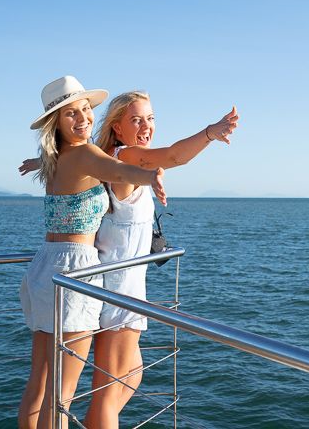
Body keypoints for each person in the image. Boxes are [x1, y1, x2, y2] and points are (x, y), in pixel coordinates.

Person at [20, 91, 238, 429]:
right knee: (97, 392)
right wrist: (209, 133)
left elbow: (82, 164)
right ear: (117, 128)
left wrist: (44, 160)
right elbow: (169, 157)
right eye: (136, 119)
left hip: (70, 273)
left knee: (106, 378)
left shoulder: (86, 154)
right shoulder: (127, 156)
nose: (146, 125)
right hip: (113, 287)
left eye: (150, 118)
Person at [18, 76, 167, 429]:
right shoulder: (83, 153)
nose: (83, 118)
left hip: (43, 267)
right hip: (75, 271)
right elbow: (116, 170)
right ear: (57, 122)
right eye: (71, 113)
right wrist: (151, 177)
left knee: (39, 384)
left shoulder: (57, 157)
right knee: (62, 392)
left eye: (86, 110)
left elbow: (91, 165)